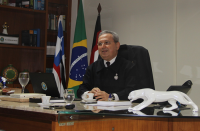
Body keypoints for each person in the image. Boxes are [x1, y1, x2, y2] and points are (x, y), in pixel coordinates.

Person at [77, 30, 140, 101]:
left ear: (117, 46)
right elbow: (81, 89)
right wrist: (89, 93)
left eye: (107, 43)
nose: (103, 46)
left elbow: (133, 91)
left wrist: (111, 97)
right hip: (96, 110)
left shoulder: (129, 67)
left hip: (120, 110)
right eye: (100, 44)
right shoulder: (93, 67)